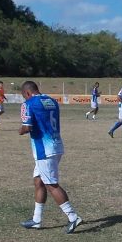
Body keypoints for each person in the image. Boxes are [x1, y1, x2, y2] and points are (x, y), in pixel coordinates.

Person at [18, 80, 82, 232]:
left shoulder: (29, 103)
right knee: (38, 181)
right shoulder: (51, 101)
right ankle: (36, 219)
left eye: (24, 96)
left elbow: (27, 127)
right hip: (56, 144)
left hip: (44, 150)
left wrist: (20, 130)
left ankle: (73, 217)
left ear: (27, 93)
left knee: (51, 184)